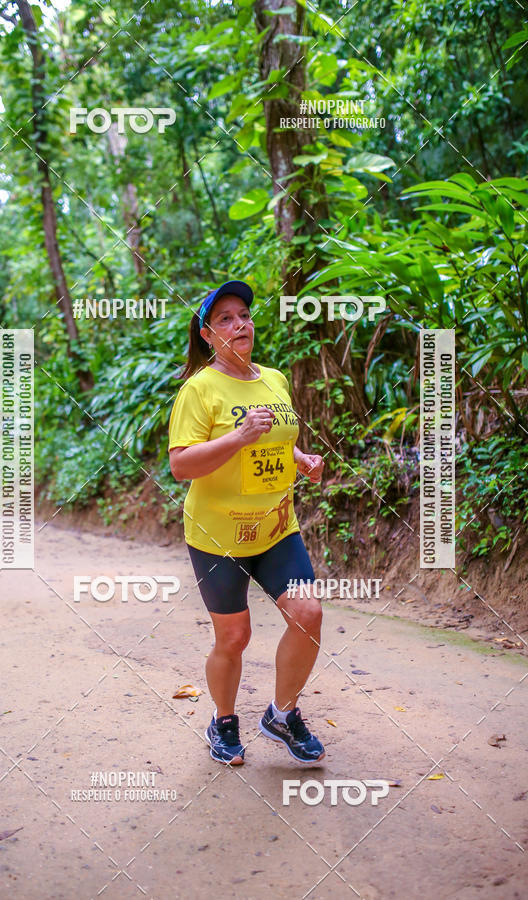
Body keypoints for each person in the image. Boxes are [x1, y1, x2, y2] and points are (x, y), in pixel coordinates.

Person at [169, 280, 326, 766]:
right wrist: (237, 438)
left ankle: (282, 714)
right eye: (225, 319)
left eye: (244, 316)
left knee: (309, 615)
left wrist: (299, 458)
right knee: (234, 638)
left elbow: (274, 437)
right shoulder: (199, 389)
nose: (240, 325)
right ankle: (223, 720)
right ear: (207, 335)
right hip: (219, 536)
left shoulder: (274, 379)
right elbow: (181, 465)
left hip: (277, 526)